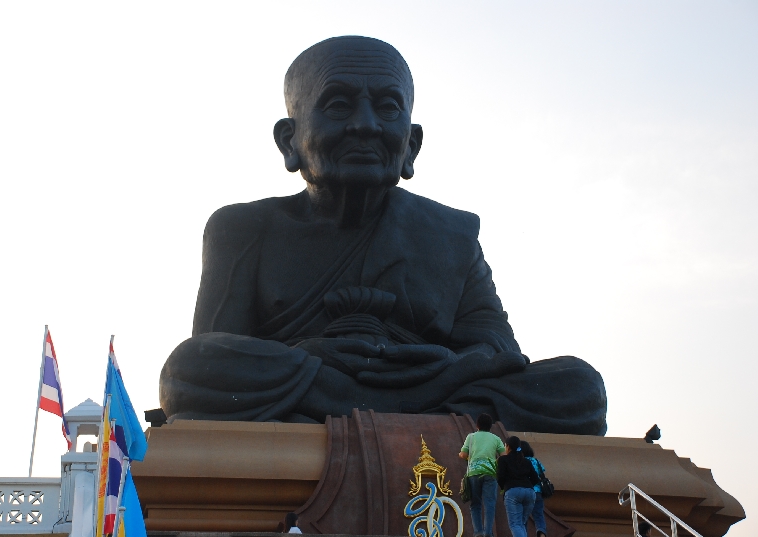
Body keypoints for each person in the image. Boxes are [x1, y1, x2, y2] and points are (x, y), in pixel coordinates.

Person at [158, 35, 607, 435]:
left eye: (388, 107)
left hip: (401, 385)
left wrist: (423, 364)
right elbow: (214, 354)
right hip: (407, 396)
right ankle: (418, 421)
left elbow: (499, 352)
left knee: (578, 385)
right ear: (289, 141)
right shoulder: (241, 228)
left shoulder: (453, 233)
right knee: (188, 370)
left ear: (411, 145)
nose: (367, 124)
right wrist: (321, 356)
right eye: (338, 104)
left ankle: (332, 417)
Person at [459, 413, 506, 537]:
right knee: (489, 503)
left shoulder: (471, 437)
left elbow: (463, 454)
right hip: (490, 472)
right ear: (490, 426)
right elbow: (504, 456)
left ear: (477, 425)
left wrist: (468, 457)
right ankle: (488, 532)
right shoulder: (496, 438)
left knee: (475, 503)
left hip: (473, 473)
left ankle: (478, 532)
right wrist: (494, 462)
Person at [496, 436, 539, 537]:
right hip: (529, 492)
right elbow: (535, 478)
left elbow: (500, 477)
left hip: (513, 491)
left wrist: (504, 487)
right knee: (521, 524)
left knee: (515, 524)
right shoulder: (526, 461)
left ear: (508, 447)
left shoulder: (503, 460)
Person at [521, 441, 547, 537]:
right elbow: (541, 473)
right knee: (539, 515)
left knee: (523, 517)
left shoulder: (520, 462)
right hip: (538, 492)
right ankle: (542, 534)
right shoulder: (536, 461)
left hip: (525, 491)